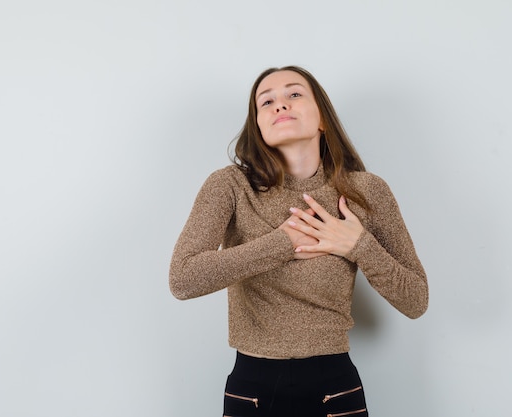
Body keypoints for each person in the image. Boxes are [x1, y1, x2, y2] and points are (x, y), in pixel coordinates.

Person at [169, 65, 428, 417]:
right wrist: (284, 242)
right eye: (266, 101)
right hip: (253, 387)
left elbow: (416, 300)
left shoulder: (366, 191)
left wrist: (359, 246)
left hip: (334, 386)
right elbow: (183, 278)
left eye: (294, 94)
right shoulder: (229, 186)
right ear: (258, 125)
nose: (280, 105)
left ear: (322, 118)